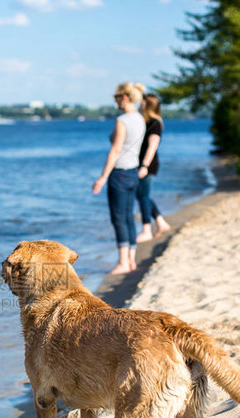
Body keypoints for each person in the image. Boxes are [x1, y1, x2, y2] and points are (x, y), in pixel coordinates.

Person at [92, 82, 146, 274]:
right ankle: (131, 260)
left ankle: (123, 262)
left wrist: (102, 177)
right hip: (133, 171)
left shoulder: (122, 120)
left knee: (119, 218)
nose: (115, 100)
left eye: (116, 97)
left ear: (124, 97)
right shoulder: (140, 118)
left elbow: (115, 150)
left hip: (120, 173)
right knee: (129, 216)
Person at [134, 93, 171, 243]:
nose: (140, 104)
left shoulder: (155, 123)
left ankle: (146, 230)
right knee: (143, 195)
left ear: (148, 104)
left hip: (148, 165)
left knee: (143, 196)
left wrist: (144, 166)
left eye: (142, 102)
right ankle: (161, 222)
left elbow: (152, 146)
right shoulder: (146, 121)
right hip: (142, 164)